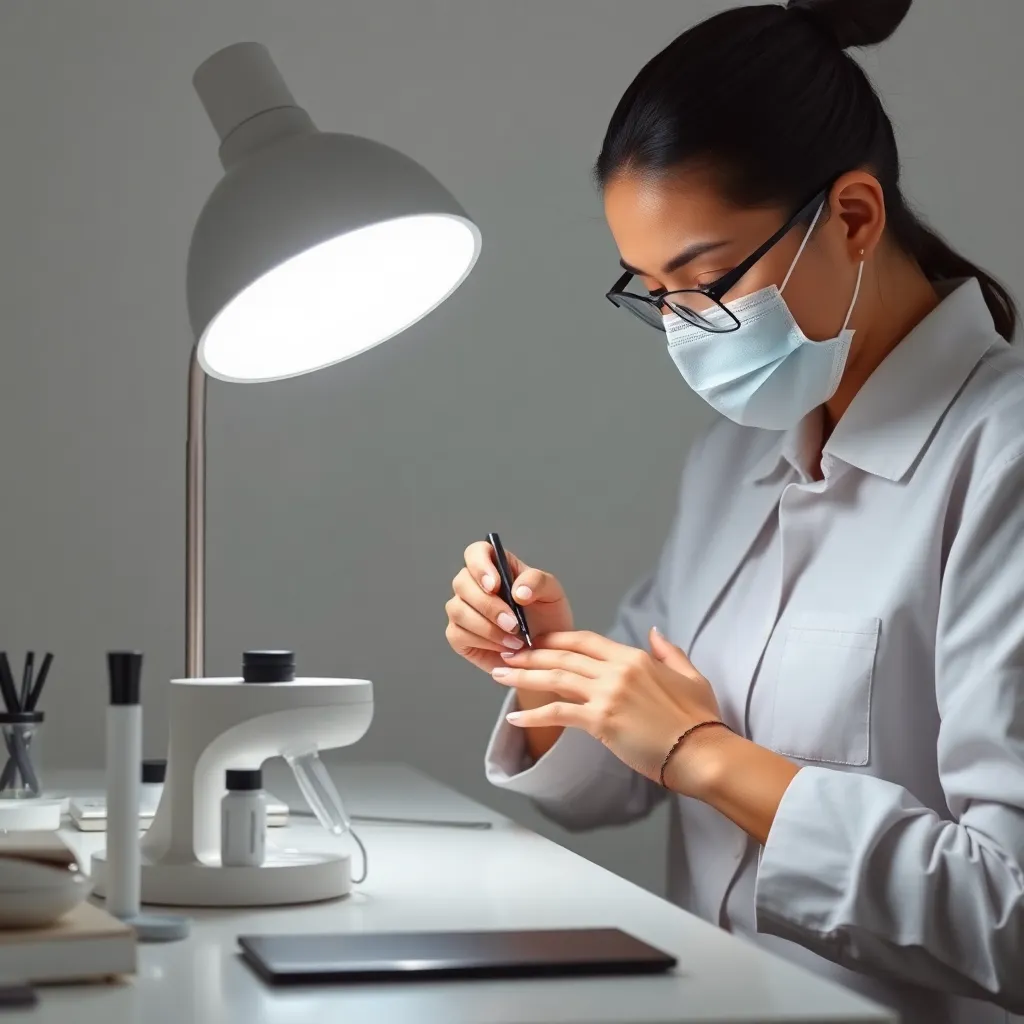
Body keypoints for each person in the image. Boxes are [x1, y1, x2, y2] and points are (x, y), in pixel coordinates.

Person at [444, 1, 1022, 1021]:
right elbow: (618, 779)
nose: (683, 329)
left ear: (852, 217)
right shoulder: (733, 459)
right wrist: (555, 663)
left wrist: (705, 755)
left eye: (707, 281)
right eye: (653, 291)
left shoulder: (1000, 463)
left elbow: (1006, 915)